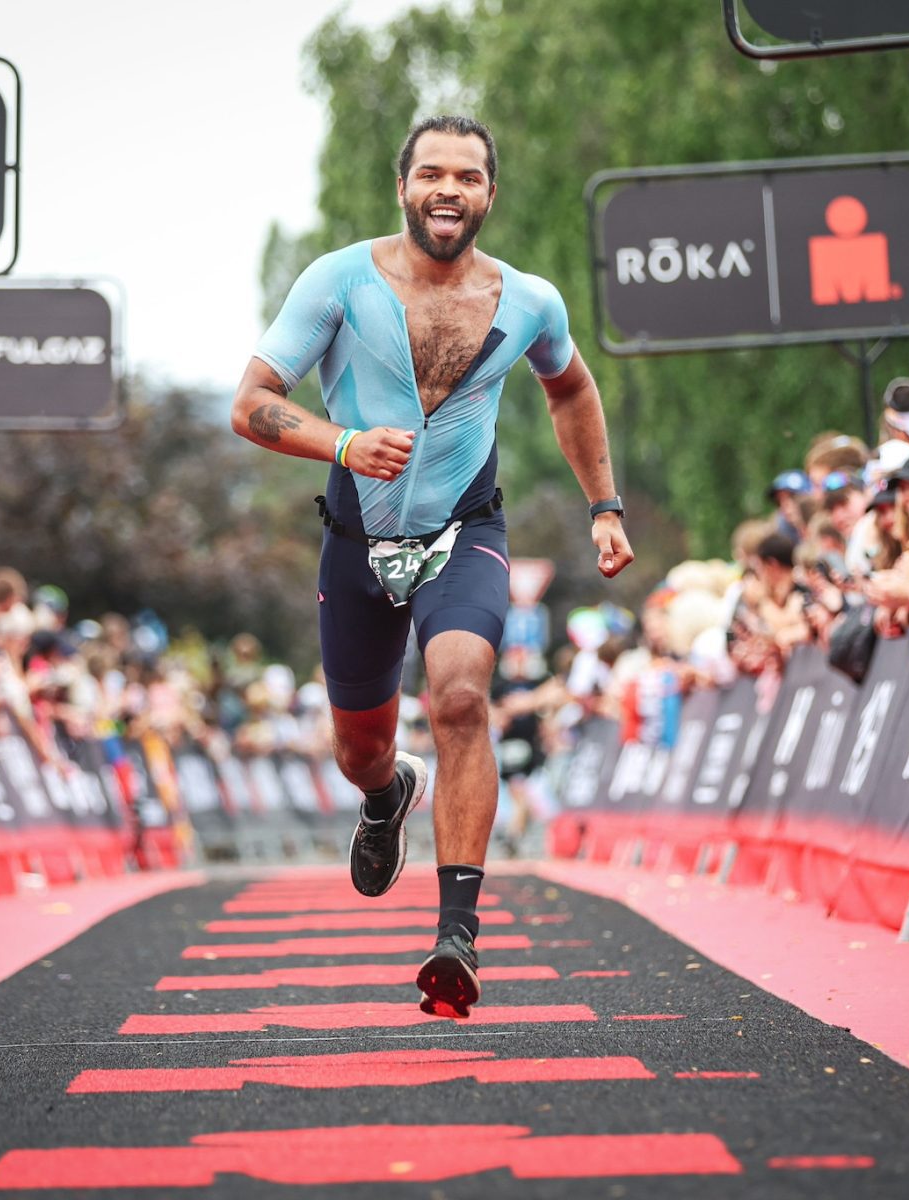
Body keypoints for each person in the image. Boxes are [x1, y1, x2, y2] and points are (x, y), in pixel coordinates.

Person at [231, 114, 632, 1017]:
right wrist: (343, 444)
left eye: (469, 177)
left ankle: (457, 934)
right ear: (403, 188)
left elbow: (569, 386)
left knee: (459, 694)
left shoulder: (529, 298)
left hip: (466, 528)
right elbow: (250, 403)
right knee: (359, 749)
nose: (449, 189)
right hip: (357, 538)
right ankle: (389, 795)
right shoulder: (338, 279)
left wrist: (603, 505)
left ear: (490, 194)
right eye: (432, 175)